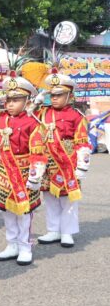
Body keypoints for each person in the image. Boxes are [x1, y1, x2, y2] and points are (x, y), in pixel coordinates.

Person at [0, 73, 45, 265]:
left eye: (15, 100)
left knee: (23, 212)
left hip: (25, 171)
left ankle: (25, 246)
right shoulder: (0, 118)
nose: (10, 104)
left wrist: (35, 176)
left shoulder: (33, 122)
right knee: (6, 210)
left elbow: (38, 152)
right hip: (4, 171)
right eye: (8, 99)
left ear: (27, 101)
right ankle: (12, 244)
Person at [35, 69, 92, 248]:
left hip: (67, 162)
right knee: (49, 197)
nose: (54, 98)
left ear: (69, 95)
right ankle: (53, 230)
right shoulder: (43, 113)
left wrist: (82, 166)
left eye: (59, 95)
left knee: (68, 199)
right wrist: (36, 102)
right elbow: (27, 119)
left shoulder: (76, 116)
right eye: (52, 95)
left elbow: (83, 142)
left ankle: (67, 232)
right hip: (48, 162)